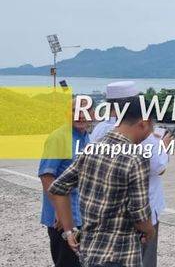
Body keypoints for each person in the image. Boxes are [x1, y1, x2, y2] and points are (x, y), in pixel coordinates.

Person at [48, 96, 156, 267]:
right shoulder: (136, 158)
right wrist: (150, 231)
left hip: (90, 254)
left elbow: (58, 188)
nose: (149, 133)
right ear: (143, 123)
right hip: (120, 254)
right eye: (151, 127)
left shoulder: (92, 147)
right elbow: (140, 215)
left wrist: (69, 231)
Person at [90, 81, 171, 267]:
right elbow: (159, 167)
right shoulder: (142, 133)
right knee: (144, 259)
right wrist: (164, 147)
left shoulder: (99, 129)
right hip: (141, 213)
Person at [38, 98, 92, 267]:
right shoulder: (59, 137)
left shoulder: (85, 137)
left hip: (81, 216)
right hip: (62, 218)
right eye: (75, 110)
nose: (80, 115)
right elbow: (46, 176)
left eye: (85, 111)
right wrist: (60, 212)